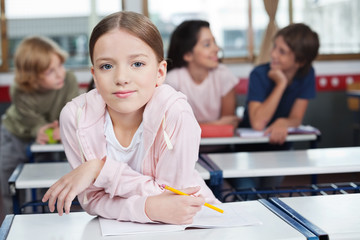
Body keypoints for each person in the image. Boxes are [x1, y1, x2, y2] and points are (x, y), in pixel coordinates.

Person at [42, 11, 219, 225]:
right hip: (115, 228)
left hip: (194, 223)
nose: (122, 79)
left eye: (137, 64)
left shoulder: (176, 112)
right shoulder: (75, 116)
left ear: (160, 72)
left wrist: (99, 169)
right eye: (107, 66)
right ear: (94, 75)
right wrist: (148, 208)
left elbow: (173, 200)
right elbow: (92, 200)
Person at [231, 23, 319, 193]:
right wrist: (281, 84)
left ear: (300, 61)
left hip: (279, 148)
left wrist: (283, 122)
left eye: (282, 51)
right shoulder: (259, 74)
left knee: (270, 194)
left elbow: (296, 118)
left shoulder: (307, 74)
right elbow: (258, 123)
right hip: (247, 151)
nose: (273, 54)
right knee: (247, 194)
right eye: (275, 47)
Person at [0, 36, 79, 214]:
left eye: (60, 65)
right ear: (32, 77)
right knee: (10, 186)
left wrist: (64, 128)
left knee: (47, 184)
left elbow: (73, 110)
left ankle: (47, 224)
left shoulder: (69, 80)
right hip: (15, 135)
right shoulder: (19, 90)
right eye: (50, 71)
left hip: (50, 138)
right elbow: (34, 124)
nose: (60, 73)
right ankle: (11, 225)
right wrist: (42, 130)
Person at [166, 20, 239, 129]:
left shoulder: (223, 74)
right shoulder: (172, 80)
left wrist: (193, 127)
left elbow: (228, 125)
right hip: (185, 146)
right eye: (207, 44)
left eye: (214, 42)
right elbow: (171, 128)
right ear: (187, 55)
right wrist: (216, 124)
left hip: (223, 145)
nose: (216, 49)